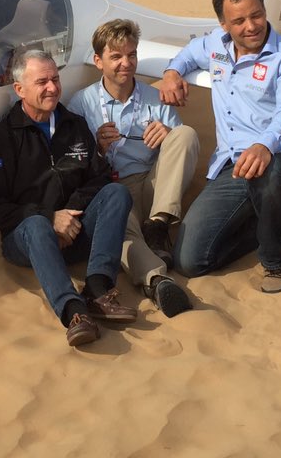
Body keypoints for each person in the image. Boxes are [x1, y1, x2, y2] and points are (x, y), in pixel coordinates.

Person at [158, 0, 281, 293]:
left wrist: (263, 144)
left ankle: (275, 262)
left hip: (277, 160)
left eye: (256, 15)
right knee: (190, 261)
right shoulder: (216, 44)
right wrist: (172, 72)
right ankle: (267, 219)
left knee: (272, 173)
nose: (251, 26)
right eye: (239, 21)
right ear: (223, 25)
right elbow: (189, 53)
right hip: (231, 166)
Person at [0, 50, 137, 347]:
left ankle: (99, 289)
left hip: (74, 231)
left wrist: (69, 213)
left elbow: (99, 177)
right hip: (26, 241)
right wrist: (49, 218)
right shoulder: (2, 137)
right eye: (41, 82)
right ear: (19, 89)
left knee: (116, 192)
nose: (52, 88)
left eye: (55, 79)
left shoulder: (75, 125)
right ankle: (74, 312)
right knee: (37, 224)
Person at [68, 20, 200, 317]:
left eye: (131, 55)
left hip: (156, 185)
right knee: (118, 231)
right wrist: (98, 149)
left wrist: (167, 135)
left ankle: (159, 223)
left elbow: (181, 152)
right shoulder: (81, 103)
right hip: (114, 190)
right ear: (98, 61)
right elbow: (75, 165)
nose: (126, 64)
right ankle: (158, 280)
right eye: (116, 57)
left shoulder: (155, 97)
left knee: (185, 134)